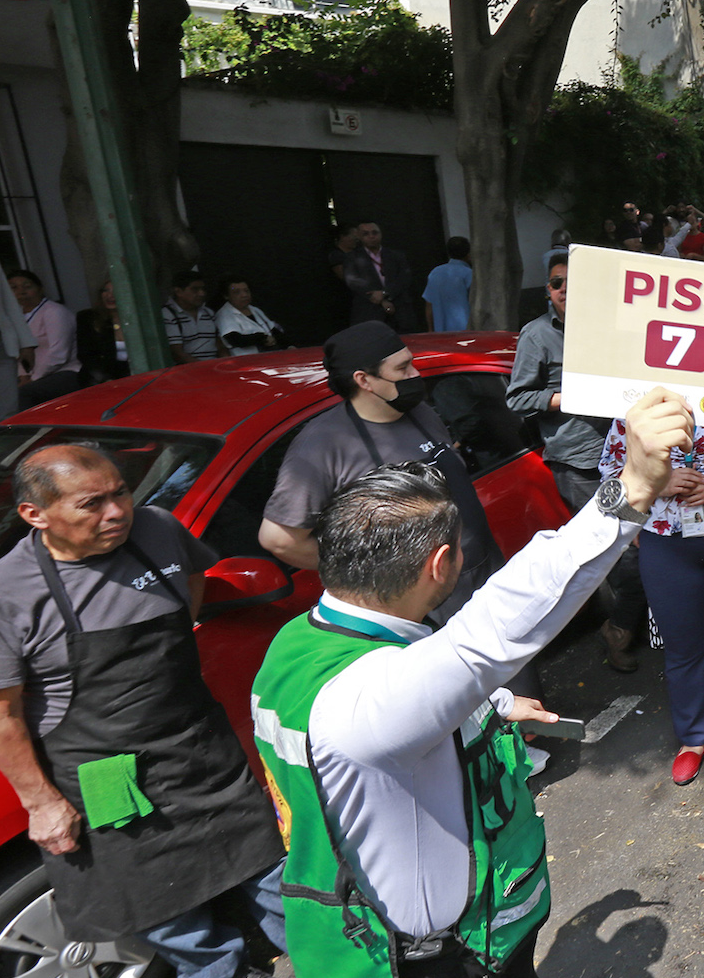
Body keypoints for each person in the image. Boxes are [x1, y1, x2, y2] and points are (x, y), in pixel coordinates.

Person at [253, 389, 693, 978]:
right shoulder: (370, 700)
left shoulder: (313, 642)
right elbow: (487, 635)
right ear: (442, 563)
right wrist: (633, 490)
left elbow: (422, 685)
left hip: (451, 956)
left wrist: (491, 706)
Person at [0, 445, 295, 978]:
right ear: (36, 515)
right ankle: (220, 974)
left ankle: (314, 938)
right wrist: (40, 802)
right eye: (91, 504)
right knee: (152, 882)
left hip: (190, 731)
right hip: (100, 763)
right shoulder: (4, 594)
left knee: (254, 847)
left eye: (120, 493)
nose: (116, 512)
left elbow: (194, 594)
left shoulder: (158, 529)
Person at [260, 323, 536, 703]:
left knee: (511, 682)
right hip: (417, 603)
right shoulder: (321, 445)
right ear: (364, 380)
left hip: (478, 573)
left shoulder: (420, 413)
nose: (415, 375)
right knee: (456, 702)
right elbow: (277, 539)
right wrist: (367, 571)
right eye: (402, 369)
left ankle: (517, 747)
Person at [599, 407, 704, 785]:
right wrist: (654, 483)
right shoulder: (637, 409)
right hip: (664, 539)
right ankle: (691, 738)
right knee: (682, 646)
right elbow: (609, 474)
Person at [506, 250, 646, 672]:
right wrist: (566, 398)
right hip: (583, 466)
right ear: (547, 291)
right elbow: (517, 398)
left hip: (627, 458)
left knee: (648, 549)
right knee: (625, 557)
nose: (564, 289)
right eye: (555, 282)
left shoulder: (610, 329)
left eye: (571, 281)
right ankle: (618, 632)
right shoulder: (536, 336)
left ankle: (640, 628)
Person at [8, 268, 81, 406]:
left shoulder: (54, 312)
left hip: (64, 372)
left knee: (22, 394)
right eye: (14, 288)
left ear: (40, 289)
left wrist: (33, 378)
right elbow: (19, 353)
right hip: (32, 376)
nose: (21, 291)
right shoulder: (16, 317)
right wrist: (23, 376)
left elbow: (58, 354)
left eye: (27, 286)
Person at [341, 221, 421, 331]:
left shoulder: (396, 255)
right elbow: (353, 281)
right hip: (369, 311)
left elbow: (404, 279)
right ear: (359, 237)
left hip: (399, 310)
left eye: (375, 233)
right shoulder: (351, 258)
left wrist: (385, 293)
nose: (371, 236)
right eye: (366, 234)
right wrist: (379, 299)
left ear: (381, 234)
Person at [74, 280, 130, 385]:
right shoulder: (87, 318)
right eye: (106, 291)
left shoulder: (139, 318)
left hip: (134, 376)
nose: (110, 295)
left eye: (116, 290)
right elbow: (85, 355)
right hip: (101, 378)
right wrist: (106, 379)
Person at [161, 269, 223, 364]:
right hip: (188, 371)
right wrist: (204, 367)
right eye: (195, 289)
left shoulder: (209, 313)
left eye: (203, 289)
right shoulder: (168, 314)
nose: (202, 293)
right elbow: (177, 353)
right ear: (178, 292)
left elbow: (220, 346)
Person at [214, 278, 288, 357]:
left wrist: (288, 345)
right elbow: (235, 339)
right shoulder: (224, 315)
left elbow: (273, 330)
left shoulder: (255, 310)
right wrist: (262, 338)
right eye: (237, 292)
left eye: (246, 291)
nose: (244, 295)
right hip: (247, 360)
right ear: (226, 296)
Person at [420, 236, 473, 331]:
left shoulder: (435, 272)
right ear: (468, 254)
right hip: (466, 330)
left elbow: (429, 305)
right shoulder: (468, 274)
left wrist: (430, 330)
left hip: (441, 332)